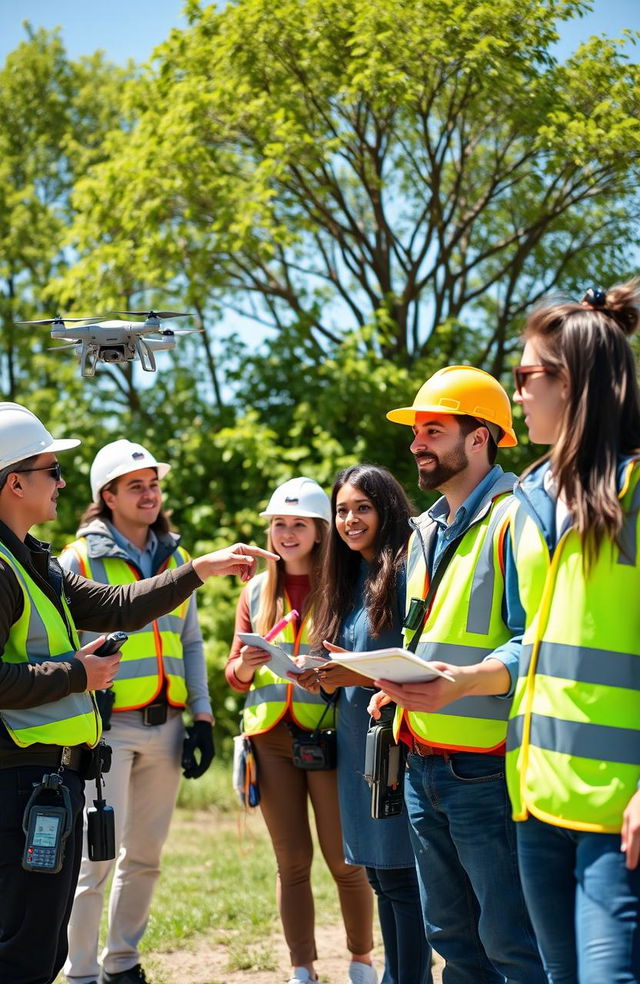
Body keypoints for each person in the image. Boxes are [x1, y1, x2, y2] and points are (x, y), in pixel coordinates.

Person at [0, 401, 275, 984]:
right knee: (22, 951)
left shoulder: (33, 562)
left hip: (50, 775)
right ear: (14, 481)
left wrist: (200, 568)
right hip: (16, 778)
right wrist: (78, 675)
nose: (63, 483)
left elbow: (117, 605)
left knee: (35, 950)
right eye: (53, 470)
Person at [368, 367, 546, 983]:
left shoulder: (517, 517)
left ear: (480, 438)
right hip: (421, 762)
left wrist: (463, 682)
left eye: (434, 430)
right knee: (451, 938)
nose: (417, 444)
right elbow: (428, 637)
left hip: (486, 769)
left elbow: (540, 644)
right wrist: (395, 690)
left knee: (511, 942)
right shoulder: (425, 531)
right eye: (417, 430)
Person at [504, 282, 640, 983]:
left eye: (526, 376)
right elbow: (538, 644)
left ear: (574, 382)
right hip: (536, 799)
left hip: (621, 813)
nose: (517, 393)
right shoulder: (529, 500)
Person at [60, 440, 213, 984]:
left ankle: (121, 963)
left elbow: (190, 643)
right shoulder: (76, 560)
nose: (150, 494)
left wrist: (203, 717)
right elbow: (56, 647)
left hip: (167, 728)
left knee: (145, 856)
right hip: (106, 732)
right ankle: (79, 973)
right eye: (136, 486)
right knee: (93, 859)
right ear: (108, 496)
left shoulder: (176, 559)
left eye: (153, 484)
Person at [226, 477, 376, 984]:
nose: (287, 534)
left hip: (331, 739)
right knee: (291, 862)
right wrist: (246, 665)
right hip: (269, 740)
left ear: (319, 531)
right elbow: (234, 676)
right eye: (279, 525)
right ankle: (302, 969)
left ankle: (361, 961)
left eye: (299, 524)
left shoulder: (346, 586)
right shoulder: (254, 589)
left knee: (344, 860)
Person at [306, 463, 432, 984]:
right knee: (381, 877)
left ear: (387, 510)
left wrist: (351, 671)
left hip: (396, 744)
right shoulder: (344, 577)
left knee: (403, 878)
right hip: (358, 740)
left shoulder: (403, 570)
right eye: (341, 510)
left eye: (362, 508)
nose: (350, 519)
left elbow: (414, 657)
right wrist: (320, 676)